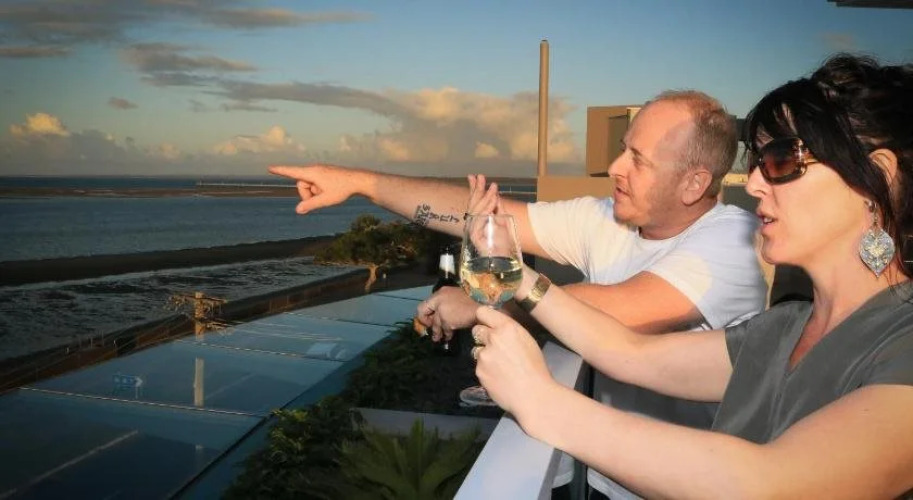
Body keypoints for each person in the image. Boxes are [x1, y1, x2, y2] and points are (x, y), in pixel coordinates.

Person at [470, 53, 913, 498]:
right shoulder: (784, 328)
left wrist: (540, 401)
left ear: (876, 177)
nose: (754, 183)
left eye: (781, 159)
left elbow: (769, 484)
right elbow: (627, 352)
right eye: (756, 162)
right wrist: (516, 279)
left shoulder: (903, 340)